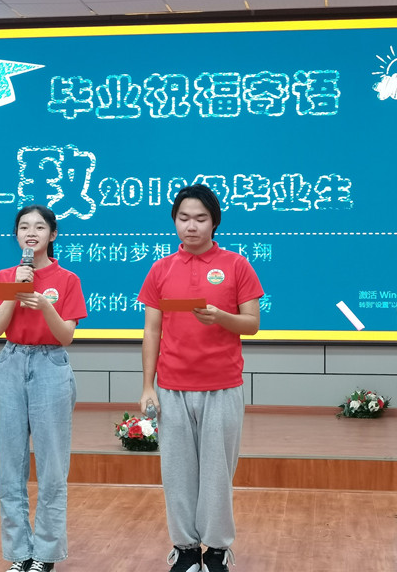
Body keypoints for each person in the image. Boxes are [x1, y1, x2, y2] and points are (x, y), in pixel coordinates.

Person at [137, 185, 263, 572]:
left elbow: (252, 324)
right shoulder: (161, 269)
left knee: (216, 474)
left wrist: (220, 317)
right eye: (183, 218)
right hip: (172, 387)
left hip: (222, 385)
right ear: (174, 221)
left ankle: (218, 550)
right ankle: (186, 548)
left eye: (200, 219)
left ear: (214, 222)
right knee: (176, 473)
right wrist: (148, 386)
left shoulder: (237, 265)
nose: (191, 226)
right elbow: (152, 331)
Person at [0, 204, 87, 572]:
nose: (31, 233)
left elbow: (66, 336)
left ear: (52, 234)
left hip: (50, 365)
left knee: (52, 466)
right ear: (16, 235)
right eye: (24, 227)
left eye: (39, 227)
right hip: (12, 363)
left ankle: (45, 554)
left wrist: (44, 306)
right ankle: (19, 553)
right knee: (10, 466)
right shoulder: (5, 276)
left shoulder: (67, 279)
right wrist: (14, 290)